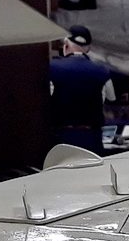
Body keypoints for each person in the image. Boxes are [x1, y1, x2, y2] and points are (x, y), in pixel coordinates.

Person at [49, 25, 114, 155]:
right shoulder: (102, 71)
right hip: (92, 137)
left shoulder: (52, 68)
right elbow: (111, 97)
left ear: (66, 45)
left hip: (62, 138)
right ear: (88, 48)